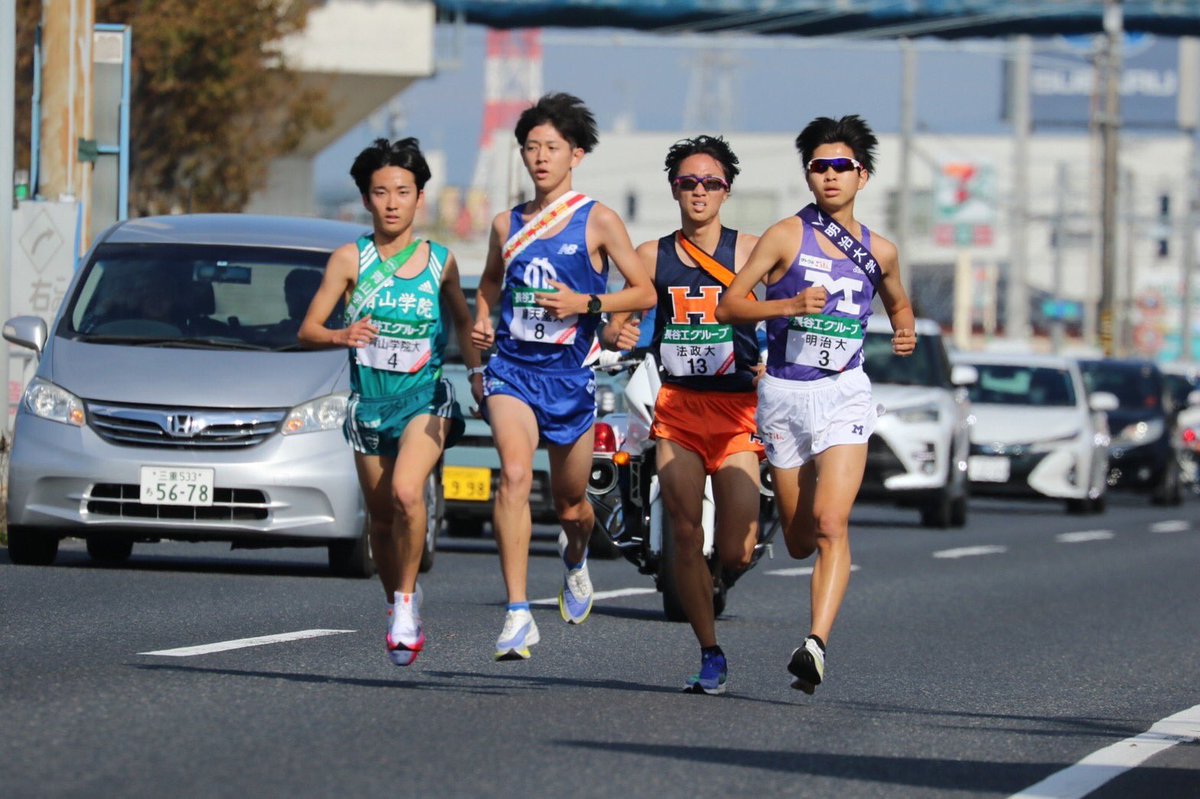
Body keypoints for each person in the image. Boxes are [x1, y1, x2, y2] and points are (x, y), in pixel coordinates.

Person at [716, 115, 916, 694]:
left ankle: (815, 644)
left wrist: (903, 332)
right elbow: (730, 306)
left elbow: (900, 305)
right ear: (808, 175)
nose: (829, 177)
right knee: (801, 540)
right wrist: (789, 306)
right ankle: (796, 533)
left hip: (844, 392)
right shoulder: (785, 235)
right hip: (783, 393)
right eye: (818, 167)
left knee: (832, 523)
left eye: (840, 167)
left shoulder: (880, 250)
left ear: (863, 176)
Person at [472, 92, 655, 661]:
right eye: (531, 147)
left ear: (576, 153)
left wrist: (588, 304)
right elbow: (488, 285)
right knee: (514, 476)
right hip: (513, 372)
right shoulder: (507, 223)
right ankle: (518, 614)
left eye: (551, 147)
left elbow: (644, 291)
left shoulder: (597, 219)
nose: (540, 158)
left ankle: (574, 559)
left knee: (573, 505)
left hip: (569, 380)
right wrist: (482, 325)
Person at [298, 137, 483, 667]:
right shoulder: (348, 260)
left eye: (403, 191)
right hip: (369, 404)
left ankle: (405, 603)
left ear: (420, 198)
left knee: (407, 493)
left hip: (424, 398)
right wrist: (341, 335)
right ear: (366, 199)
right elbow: (307, 328)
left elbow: (465, 323)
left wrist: (475, 374)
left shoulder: (440, 262)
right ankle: (398, 600)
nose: (393, 202)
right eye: (381, 192)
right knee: (381, 521)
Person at [602, 136, 762, 696]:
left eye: (710, 183)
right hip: (678, 409)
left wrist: (775, 362)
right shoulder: (650, 256)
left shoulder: (750, 251)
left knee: (740, 546)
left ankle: (718, 579)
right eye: (688, 183)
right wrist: (616, 331)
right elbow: (621, 318)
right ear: (674, 189)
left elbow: (786, 313)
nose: (699, 191)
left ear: (726, 190)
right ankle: (710, 651)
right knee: (686, 530)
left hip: (738, 408)